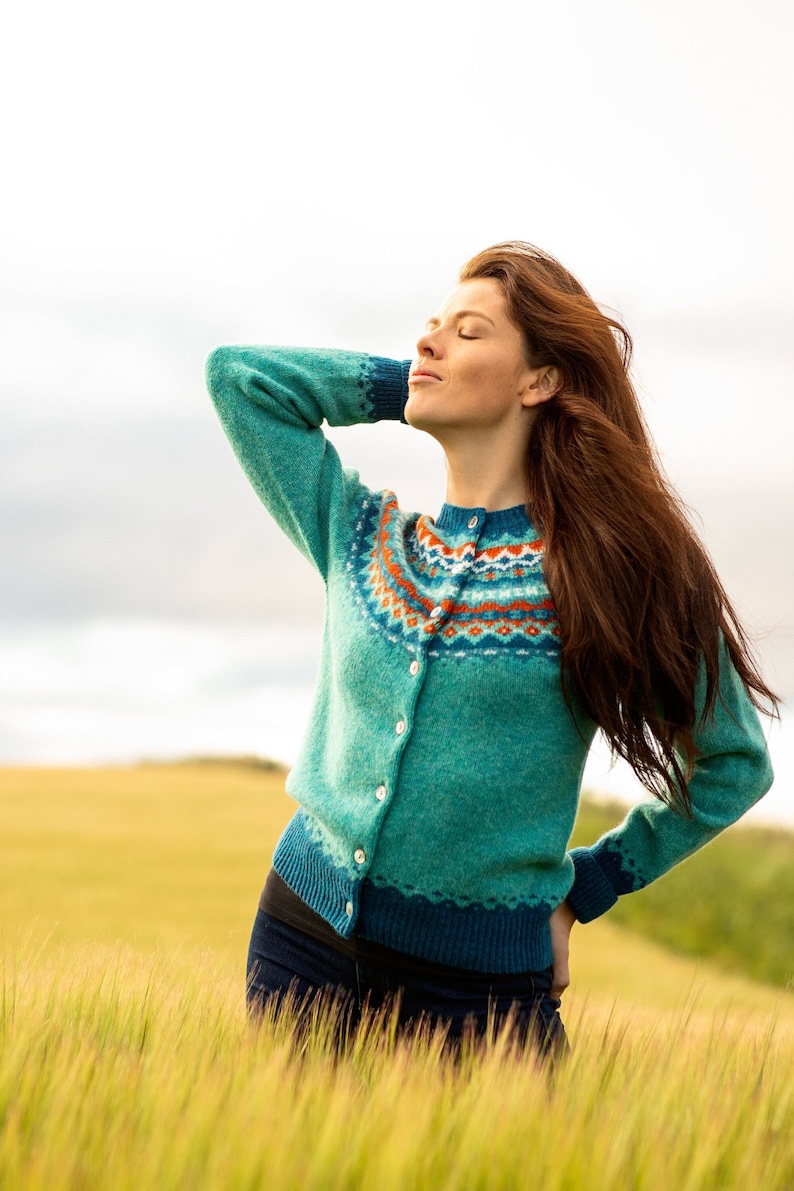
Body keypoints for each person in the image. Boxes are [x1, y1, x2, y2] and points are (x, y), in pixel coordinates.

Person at [205, 241, 776, 1056]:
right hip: (302, 948)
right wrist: (407, 382)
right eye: (428, 328)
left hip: (480, 996)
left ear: (538, 379)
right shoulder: (363, 537)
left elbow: (735, 761)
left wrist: (592, 885)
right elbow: (240, 379)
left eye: (468, 332)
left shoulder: (609, 570)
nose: (429, 343)